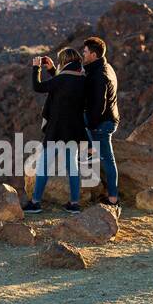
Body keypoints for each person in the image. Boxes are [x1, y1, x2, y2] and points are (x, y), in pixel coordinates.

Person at [24, 47, 88, 213]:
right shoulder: (82, 78)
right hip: (74, 130)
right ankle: (74, 204)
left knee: (43, 165)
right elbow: (63, 84)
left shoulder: (62, 79)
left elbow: (38, 87)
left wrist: (36, 67)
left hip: (57, 130)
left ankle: (35, 202)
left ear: (64, 61)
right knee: (72, 167)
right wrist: (52, 69)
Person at [81, 36, 120, 206]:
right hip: (108, 119)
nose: (83, 54)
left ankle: (113, 198)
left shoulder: (99, 75)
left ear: (94, 55)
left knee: (108, 160)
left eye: (86, 52)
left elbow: (99, 106)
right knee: (106, 159)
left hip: (102, 123)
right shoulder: (105, 67)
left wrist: (89, 127)